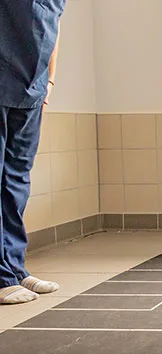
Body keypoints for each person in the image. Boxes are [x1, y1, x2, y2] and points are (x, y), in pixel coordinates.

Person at [0, 0, 67, 304]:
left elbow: (53, 28)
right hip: (3, 81)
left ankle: (14, 268)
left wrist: (51, 78)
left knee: (17, 183)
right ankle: (1, 276)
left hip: (32, 90)